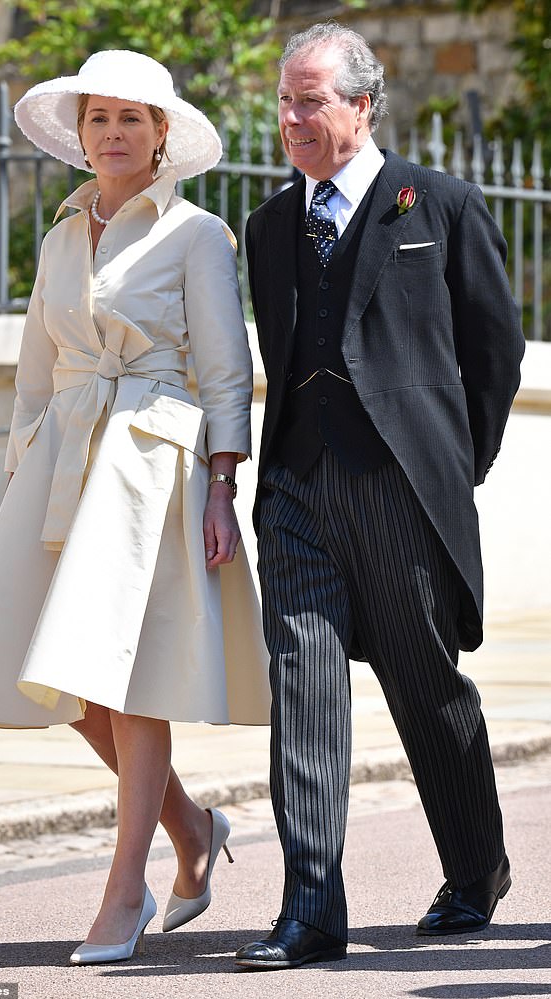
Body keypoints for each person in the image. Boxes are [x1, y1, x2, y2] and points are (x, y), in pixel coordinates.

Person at [0, 49, 270, 965]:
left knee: (127, 680)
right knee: (45, 665)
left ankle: (124, 888)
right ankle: (193, 828)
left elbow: (224, 371)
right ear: (80, 133)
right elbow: (33, 374)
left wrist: (222, 480)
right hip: (61, 460)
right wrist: (23, 469)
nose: (114, 133)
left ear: (162, 133)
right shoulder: (58, 236)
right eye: (99, 118)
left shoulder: (198, 234)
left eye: (133, 118)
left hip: (149, 465)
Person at [235, 22, 525, 970]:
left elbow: (495, 354)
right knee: (303, 689)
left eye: (309, 99)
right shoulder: (269, 226)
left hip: (404, 493)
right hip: (296, 492)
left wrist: (450, 467)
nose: (291, 118)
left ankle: (477, 867)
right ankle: (312, 908)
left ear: (363, 105)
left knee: (427, 691)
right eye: (284, 101)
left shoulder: (438, 203)